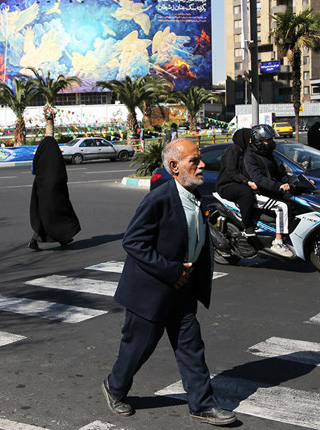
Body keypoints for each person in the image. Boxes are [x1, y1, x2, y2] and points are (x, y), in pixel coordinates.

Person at [103, 138, 237, 427]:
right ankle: (115, 388)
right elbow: (133, 242)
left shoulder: (198, 195)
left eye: (200, 159)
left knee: (191, 347)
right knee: (138, 347)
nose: (202, 164)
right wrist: (172, 271)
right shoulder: (160, 198)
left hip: (182, 289)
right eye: (194, 161)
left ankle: (202, 404)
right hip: (150, 291)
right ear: (175, 166)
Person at [242, 124, 294, 258]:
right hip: (256, 194)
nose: (271, 142)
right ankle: (278, 242)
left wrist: (295, 181)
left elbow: (279, 174)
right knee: (282, 207)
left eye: (272, 139)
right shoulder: (250, 157)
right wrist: (277, 187)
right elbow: (258, 179)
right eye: (268, 140)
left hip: (269, 191)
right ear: (258, 141)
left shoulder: (268, 155)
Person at [28, 136, 80, 250]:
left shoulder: (39, 159)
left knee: (45, 216)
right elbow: (63, 176)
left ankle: (60, 239)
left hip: (41, 192)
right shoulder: (57, 161)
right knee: (59, 216)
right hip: (57, 194)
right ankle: (62, 238)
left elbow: (33, 171)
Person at [215, 128, 258, 236]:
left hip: (238, 182)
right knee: (245, 193)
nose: (251, 141)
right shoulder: (233, 150)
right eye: (249, 138)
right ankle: (248, 226)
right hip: (226, 185)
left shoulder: (246, 151)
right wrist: (247, 182)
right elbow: (231, 172)